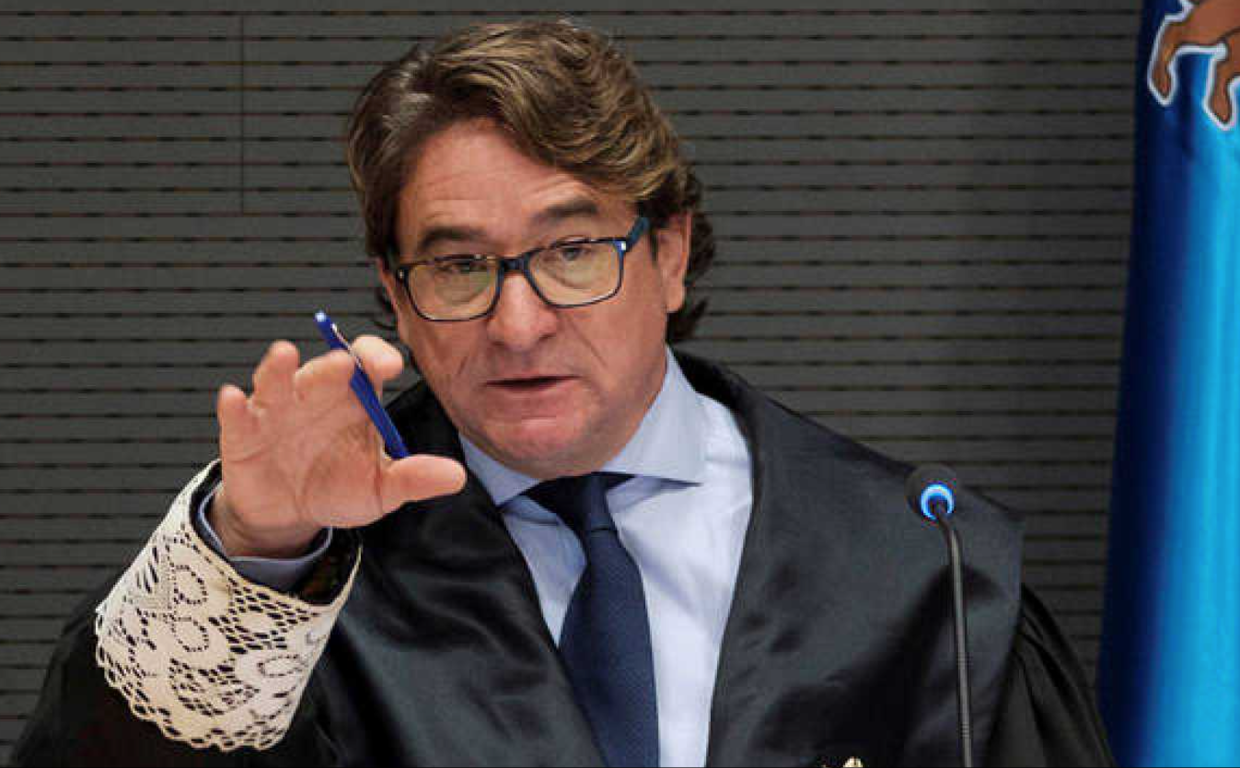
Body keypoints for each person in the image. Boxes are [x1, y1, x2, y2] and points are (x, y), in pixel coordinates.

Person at [13, 19, 1113, 768]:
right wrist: (254, 549)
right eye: (458, 266)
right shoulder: (304, 567)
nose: (518, 323)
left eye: (573, 250)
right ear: (394, 295)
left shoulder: (919, 567)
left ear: (668, 254)